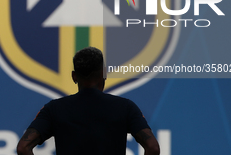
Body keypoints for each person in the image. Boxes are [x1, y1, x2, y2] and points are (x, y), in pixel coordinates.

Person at [17, 47, 160, 155]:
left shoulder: (54, 109)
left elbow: (23, 147)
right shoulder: (125, 107)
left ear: (74, 76)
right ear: (104, 74)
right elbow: (152, 147)